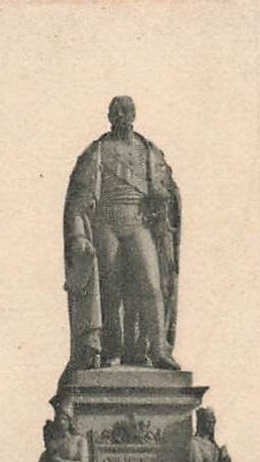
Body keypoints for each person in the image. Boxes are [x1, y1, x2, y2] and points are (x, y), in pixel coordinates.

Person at [63, 96, 181, 376]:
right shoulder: (98, 152)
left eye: (126, 111)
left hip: (139, 223)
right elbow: (78, 201)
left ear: (134, 115)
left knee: (152, 286)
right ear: (109, 115)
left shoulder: (149, 152)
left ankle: (158, 348)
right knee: (110, 289)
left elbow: (167, 192)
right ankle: (111, 349)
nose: (121, 116)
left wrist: (163, 199)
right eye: (116, 111)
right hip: (106, 223)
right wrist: (80, 234)